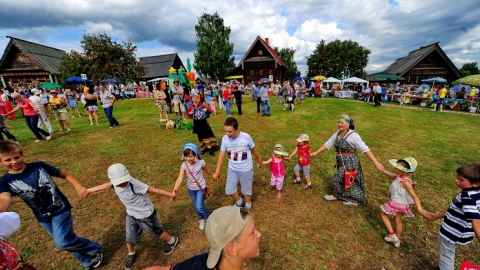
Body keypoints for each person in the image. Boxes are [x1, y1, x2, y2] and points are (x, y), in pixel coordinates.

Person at [0, 141, 103, 269]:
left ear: (22, 155)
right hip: (43, 216)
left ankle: (95, 248)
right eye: (8, 160)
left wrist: (78, 186)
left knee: (62, 242)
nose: (14, 161)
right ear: (1, 162)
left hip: (60, 208)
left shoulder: (39, 166)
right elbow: (5, 198)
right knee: (68, 240)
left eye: (17, 157)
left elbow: (64, 174)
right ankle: (88, 261)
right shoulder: (4, 181)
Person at [85, 163, 179, 270]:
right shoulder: (114, 183)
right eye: (119, 182)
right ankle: (131, 253)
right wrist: (89, 190)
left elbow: (153, 190)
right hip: (131, 213)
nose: (122, 183)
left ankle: (172, 240)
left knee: (155, 232)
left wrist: (171, 195)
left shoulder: (134, 184)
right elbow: (107, 185)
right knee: (130, 236)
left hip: (145, 215)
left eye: (124, 181)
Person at [144, 206, 261, 270]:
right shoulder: (198, 264)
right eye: (252, 233)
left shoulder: (202, 260)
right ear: (232, 249)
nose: (259, 234)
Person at [311, 114, 384, 206]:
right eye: (339, 122)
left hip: (350, 162)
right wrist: (316, 152)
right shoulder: (337, 133)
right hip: (341, 162)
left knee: (336, 180)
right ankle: (348, 198)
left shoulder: (353, 135)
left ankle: (344, 197)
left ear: (348, 125)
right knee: (346, 180)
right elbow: (328, 144)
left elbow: (365, 149)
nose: (340, 124)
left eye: (342, 123)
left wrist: (376, 163)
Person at [425, 163, 480, 270]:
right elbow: (454, 210)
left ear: (476, 183)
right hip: (463, 234)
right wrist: (437, 215)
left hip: (451, 234)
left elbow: (476, 222)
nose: (456, 181)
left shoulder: (467, 197)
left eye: (461, 179)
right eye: (457, 177)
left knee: (446, 258)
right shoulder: (476, 193)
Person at [213, 117, 263, 209]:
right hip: (232, 169)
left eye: (230, 131)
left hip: (246, 169)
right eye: (226, 131)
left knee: (246, 190)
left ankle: (248, 205)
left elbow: (254, 151)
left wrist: (260, 161)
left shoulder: (246, 137)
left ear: (236, 129)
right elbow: (221, 156)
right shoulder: (225, 139)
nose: (227, 134)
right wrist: (217, 172)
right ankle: (239, 202)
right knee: (229, 190)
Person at [379, 157, 429, 248]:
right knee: (397, 220)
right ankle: (397, 240)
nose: (395, 169)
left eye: (398, 168)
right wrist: (383, 171)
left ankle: (392, 235)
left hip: (396, 203)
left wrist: (420, 209)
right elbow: (393, 176)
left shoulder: (406, 182)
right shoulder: (400, 177)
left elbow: (414, 196)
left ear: (405, 171)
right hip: (403, 206)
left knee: (382, 214)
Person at [172, 143, 213, 230]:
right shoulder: (184, 166)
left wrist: (213, 174)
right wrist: (175, 190)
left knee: (199, 206)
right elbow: (180, 178)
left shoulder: (200, 163)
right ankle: (201, 219)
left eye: (190, 156)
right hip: (191, 189)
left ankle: (209, 218)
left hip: (200, 188)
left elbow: (207, 170)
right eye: (186, 156)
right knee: (195, 206)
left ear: (196, 155)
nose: (188, 159)